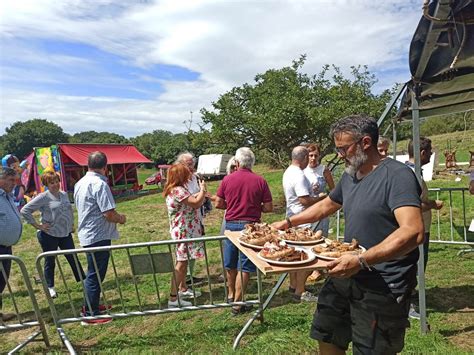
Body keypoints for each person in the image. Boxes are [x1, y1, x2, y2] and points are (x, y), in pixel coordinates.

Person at [272, 115, 424, 354]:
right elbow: (328, 205)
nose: (340, 154)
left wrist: (362, 260)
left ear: (365, 142)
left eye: (343, 148)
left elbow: (412, 231)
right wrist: (288, 221)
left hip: (383, 282)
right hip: (345, 274)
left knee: (372, 348)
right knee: (327, 333)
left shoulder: (398, 175)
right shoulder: (351, 174)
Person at [215, 147, 273, 315]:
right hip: (251, 227)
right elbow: (268, 207)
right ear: (252, 163)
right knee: (245, 266)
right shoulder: (260, 180)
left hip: (231, 225)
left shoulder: (227, 180)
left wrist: (232, 205)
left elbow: (219, 203)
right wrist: (254, 206)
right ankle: (237, 303)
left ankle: (232, 295)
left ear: (237, 162)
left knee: (230, 262)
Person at [74, 151, 126, 325]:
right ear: (105, 167)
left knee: (93, 272)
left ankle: (90, 305)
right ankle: (90, 314)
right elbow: (108, 213)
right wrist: (121, 218)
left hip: (89, 234)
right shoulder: (100, 184)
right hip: (98, 235)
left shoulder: (80, 182)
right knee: (95, 275)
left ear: (88, 165)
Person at [21, 171, 85, 299]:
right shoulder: (43, 197)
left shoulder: (64, 195)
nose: (55, 184)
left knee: (73, 257)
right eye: (52, 182)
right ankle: (50, 287)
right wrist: (38, 226)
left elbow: (68, 211)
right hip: (49, 234)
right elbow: (25, 211)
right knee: (50, 261)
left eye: (57, 181)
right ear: (46, 184)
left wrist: (71, 224)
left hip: (65, 234)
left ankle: (84, 282)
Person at [405, 137, 444, 319]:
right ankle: (408, 304)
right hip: (415, 229)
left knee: (418, 264)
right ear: (422, 153)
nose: (430, 155)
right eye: (429, 152)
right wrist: (432, 204)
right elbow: (411, 205)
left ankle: (410, 299)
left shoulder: (413, 172)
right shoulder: (410, 174)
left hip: (421, 228)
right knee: (413, 266)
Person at [163, 163, 207, 308]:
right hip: (183, 232)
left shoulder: (175, 189)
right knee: (181, 264)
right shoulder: (178, 190)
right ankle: (173, 298)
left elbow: (190, 200)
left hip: (183, 231)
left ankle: (180, 291)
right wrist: (202, 189)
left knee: (183, 263)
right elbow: (195, 203)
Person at [284, 146, 324, 302]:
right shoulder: (299, 175)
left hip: (292, 217)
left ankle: (293, 285)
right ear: (305, 158)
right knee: (306, 256)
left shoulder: (288, 172)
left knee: (294, 254)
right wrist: (321, 197)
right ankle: (300, 291)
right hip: (303, 221)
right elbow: (304, 200)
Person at [175, 152, 207, 286]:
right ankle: (182, 283)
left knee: (192, 252)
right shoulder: (178, 184)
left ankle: (187, 278)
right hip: (184, 225)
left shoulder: (194, 177)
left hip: (195, 220)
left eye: (192, 164)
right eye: (188, 165)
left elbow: (200, 197)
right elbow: (195, 200)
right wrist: (201, 194)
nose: (191, 168)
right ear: (180, 165)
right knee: (182, 257)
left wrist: (203, 195)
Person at [0, 167, 22, 322]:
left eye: (15, 180)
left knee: (2, 279)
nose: (15, 184)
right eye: (11, 180)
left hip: (5, 246)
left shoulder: (6, 196)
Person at [304, 143, 335, 236]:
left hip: (321, 208)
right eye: (311, 155)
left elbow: (333, 189)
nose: (313, 158)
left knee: (320, 236)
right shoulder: (302, 170)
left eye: (315, 155)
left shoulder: (324, 170)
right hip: (306, 208)